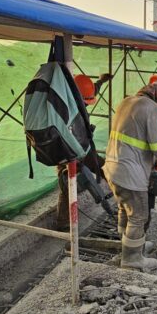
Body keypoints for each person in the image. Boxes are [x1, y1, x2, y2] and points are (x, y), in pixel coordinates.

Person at [103, 74, 157, 270]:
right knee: (138, 215)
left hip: (112, 168)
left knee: (124, 209)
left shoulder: (126, 101)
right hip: (130, 173)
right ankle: (132, 259)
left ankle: (128, 247)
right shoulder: (152, 108)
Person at [53, 73, 112, 230]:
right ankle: (62, 222)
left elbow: (92, 90)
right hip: (65, 150)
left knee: (105, 168)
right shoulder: (62, 107)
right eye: (84, 102)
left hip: (83, 147)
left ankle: (123, 199)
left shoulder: (79, 94)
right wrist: (73, 160)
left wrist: (101, 81)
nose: (86, 104)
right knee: (68, 184)